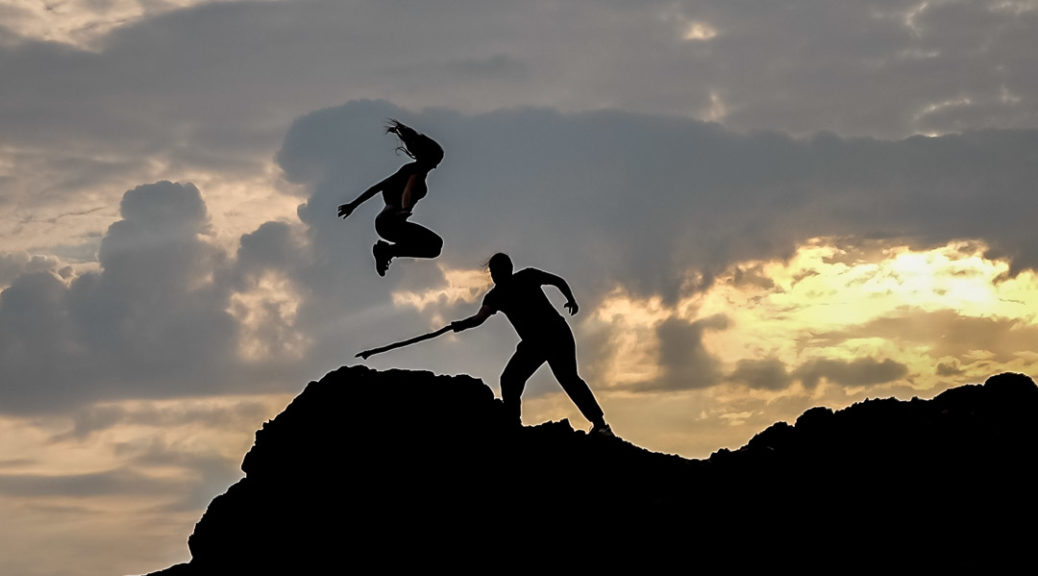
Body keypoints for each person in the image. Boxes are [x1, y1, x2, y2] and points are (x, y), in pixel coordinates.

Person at [450, 253, 613, 436]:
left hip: (555, 335)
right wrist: (461, 325)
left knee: (568, 380)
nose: (495, 276)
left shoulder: (526, 277)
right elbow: (479, 318)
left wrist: (571, 299)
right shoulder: (496, 296)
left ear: (507, 270)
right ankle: (512, 423)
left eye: (497, 271)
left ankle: (600, 425)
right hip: (536, 343)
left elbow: (557, 281)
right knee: (510, 379)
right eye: (493, 272)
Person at [338, 120, 445, 276]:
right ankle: (387, 251)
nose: (435, 166)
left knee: (434, 246)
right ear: (429, 159)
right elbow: (408, 189)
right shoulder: (417, 171)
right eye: (436, 162)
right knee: (435, 246)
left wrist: (353, 205)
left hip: (385, 223)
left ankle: (387, 251)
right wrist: (405, 208)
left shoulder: (406, 170)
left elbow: (377, 187)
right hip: (391, 222)